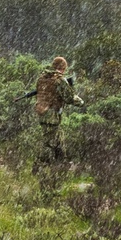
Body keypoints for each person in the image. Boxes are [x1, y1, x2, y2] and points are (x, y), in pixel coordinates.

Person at [31, 56, 84, 191]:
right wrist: (80, 102)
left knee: (58, 144)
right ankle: (41, 170)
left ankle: (58, 171)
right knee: (50, 144)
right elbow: (69, 97)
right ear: (63, 68)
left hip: (43, 115)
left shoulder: (42, 78)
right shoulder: (59, 80)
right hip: (52, 117)